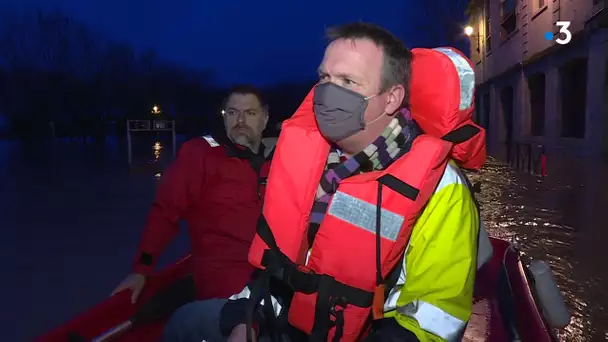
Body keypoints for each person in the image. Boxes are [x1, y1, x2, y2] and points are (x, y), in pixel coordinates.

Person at [220, 23, 489, 341]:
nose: (327, 92)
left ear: (392, 99)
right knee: (186, 322)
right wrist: (245, 319)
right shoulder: (311, 163)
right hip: (292, 326)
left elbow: (432, 323)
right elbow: (284, 269)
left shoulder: (441, 188)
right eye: (324, 78)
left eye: (348, 81)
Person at [111, 85, 276, 342]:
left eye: (250, 113)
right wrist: (142, 268)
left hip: (271, 283)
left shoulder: (277, 162)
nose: (240, 121)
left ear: (265, 119)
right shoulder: (200, 155)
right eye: (232, 113)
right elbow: (165, 212)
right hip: (224, 289)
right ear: (224, 116)